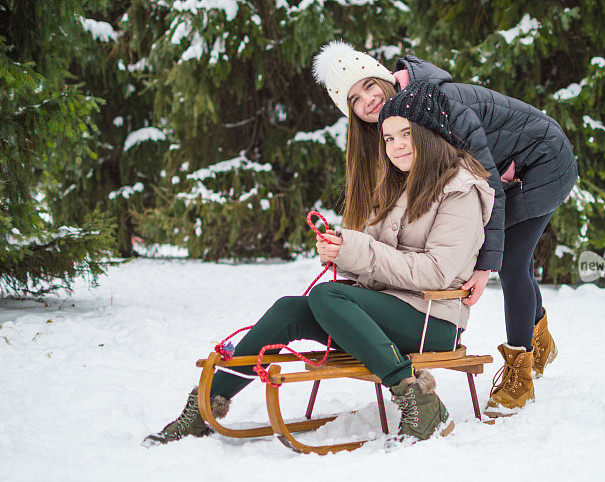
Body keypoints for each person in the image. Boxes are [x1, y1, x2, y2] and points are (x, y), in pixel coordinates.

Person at [143, 81, 494, 447]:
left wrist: (356, 250)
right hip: (386, 308)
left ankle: (419, 401)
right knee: (288, 310)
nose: (396, 145)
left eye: (406, 133)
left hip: (432, 319)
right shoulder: (396, 185)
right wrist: (340, 249)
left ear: (431, 131)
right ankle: (204, 408)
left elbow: (435, 272)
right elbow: (372, 255)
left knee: (328, 298)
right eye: (388, 138)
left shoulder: (460, 190)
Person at [313, 41, 578, 416]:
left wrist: (484, 267)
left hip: (543, 163)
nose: (367, 101)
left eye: (369, 86)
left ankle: (521, 372)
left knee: (512, 262)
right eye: (354, 99)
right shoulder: (396, 120)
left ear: (384, 77)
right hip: (507, 170)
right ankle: (539, 337)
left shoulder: (439, 104)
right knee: (516, 259)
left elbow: (485, 187)